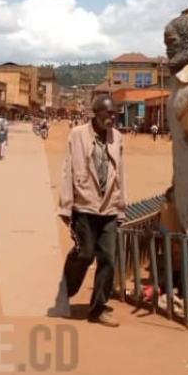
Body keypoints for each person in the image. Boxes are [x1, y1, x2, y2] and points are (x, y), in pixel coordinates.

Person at [50, 95, 127, 327]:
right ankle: (65, 292)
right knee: (84, 254)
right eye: (108, 113)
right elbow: (68, 169)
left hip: (109, 207)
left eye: (114, 113)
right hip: (84, 205)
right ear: (95, 113)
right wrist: (65, 205)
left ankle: (98, 309)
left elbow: (121, 173)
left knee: (108, 259)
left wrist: (121, 208)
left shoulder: (118, 138)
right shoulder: (78, 135)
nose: (112, 117)